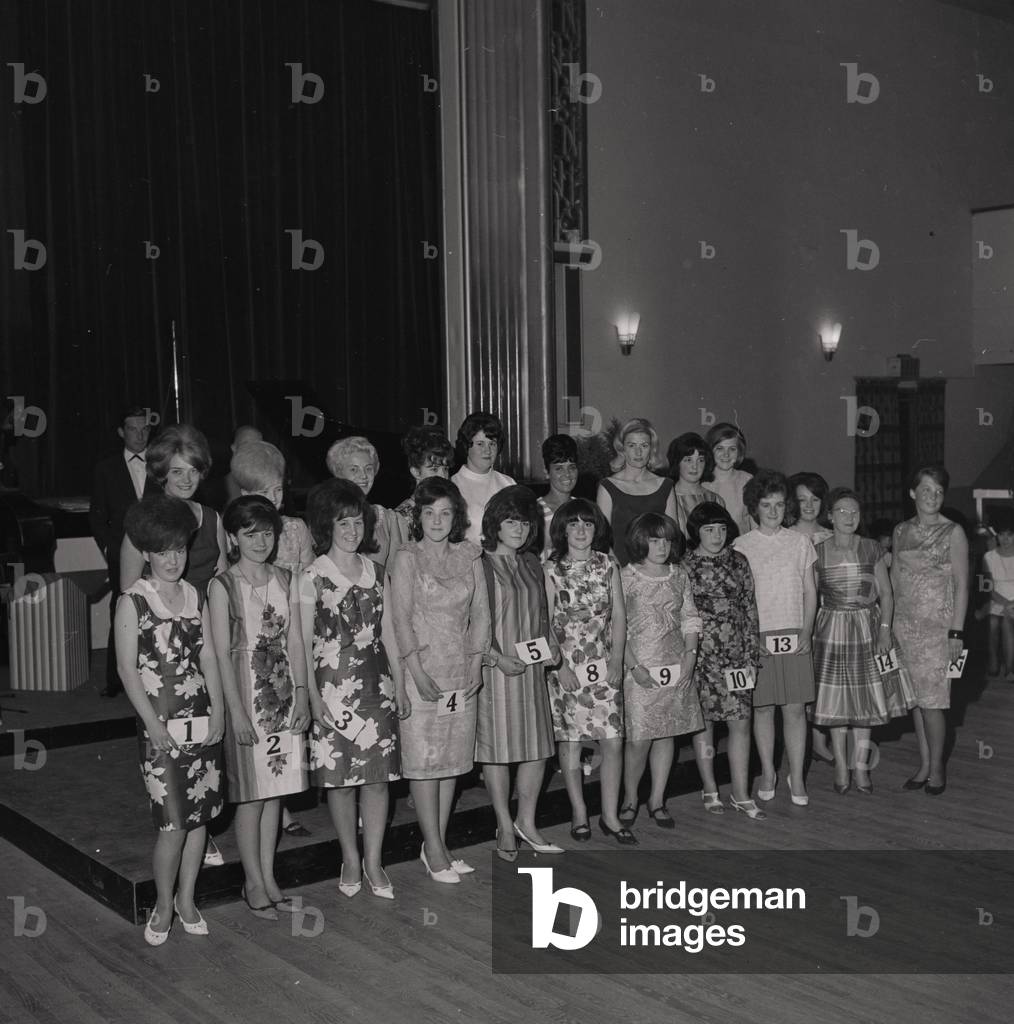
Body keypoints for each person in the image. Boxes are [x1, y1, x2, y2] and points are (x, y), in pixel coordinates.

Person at [114, 494, 225, 945]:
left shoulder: (195, 594)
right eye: (163, 552)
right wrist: (152, 725)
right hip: (159, 723)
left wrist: (218, 708)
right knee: (172, 821)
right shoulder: (133, 603)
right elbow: (127, 670)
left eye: (179, 549)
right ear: (146, 554)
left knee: (200, 819)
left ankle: (186, 898)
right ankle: (162, 905)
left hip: (200, 718)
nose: (173, 559)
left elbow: (209, 655)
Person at [302, 480, 404, 898]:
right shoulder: (310, 577)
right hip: (330, 688)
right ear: (327, 525)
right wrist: (310, 698)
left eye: (357, 521)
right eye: (342, 522)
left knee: (377, 779)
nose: (351, 529)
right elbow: (301, 647)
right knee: (340, 780)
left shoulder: (377, 572)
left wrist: (400, 684)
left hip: (375, 683)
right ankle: (349, 858)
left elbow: (390, 634)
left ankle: (375, 861)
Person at [209, 497, 310, 918]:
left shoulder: (287, 578)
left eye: (267, 532)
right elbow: (217, 653)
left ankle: (269, 877)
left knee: (276, 793)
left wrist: (302, 692)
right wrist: (236, 711)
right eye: (250, 534)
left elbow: (295, 642)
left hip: (283, 695)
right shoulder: (222, 585)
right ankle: (251, 881)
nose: (260, 541)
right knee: (251, 798)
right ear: (233, 537)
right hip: (247, 698)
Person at [390, 477, 490, 882]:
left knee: (451, 764)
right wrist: (416, 670)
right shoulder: (406, 558)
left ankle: (440, 843)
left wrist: (476, 662)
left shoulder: (469, 555)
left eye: (445, 512)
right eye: (429, 512)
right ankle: (432, 847)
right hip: (422, 674)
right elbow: (400, 619)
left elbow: (482, 613)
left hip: (461, 673)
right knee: (425, 762)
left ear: (456, 517)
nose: (437, 520)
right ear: (418, 516)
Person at [229, 439, 315, 837]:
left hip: (287, 630)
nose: (277, 498)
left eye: (281, 489)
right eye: (266, 492)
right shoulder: (240, 530)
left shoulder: (294, 528)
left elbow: (309, 578)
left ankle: (280, 810)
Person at [812, 489, 916, 794]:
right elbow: (811, 595)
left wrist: (885, 629)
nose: (849, 517)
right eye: (842, 512)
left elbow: (886, 593)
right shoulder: (816, 552)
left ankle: (861, 768)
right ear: (829, 516)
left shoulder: (871, 547)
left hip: (868, 628)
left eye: (854, 512)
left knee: (867, 702)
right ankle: (841, 767)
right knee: (837, 703)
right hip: (831, 630)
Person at [476, 486, 561, 859]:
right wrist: (494, 658)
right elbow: (469, 624)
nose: (520, 528)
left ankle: (526, 822)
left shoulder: (531, 563)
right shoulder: (479, 563)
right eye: (511, 520)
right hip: (496, 669)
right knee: (497, 751)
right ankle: (503, 823)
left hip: (531, 667)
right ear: (495, 523)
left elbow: (542, 613)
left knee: (537, 748)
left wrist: (552, 643)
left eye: (525, 522)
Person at [545, 498, 631, 843]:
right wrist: (559, 664)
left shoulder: (608, 564)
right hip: (566, 669)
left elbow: (620, 616)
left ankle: (609, 816)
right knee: (571, 742)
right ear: (562, 530)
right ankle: (579, 812)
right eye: (573, 524)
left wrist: (617, 660)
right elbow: (545, 620)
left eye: (588, 524)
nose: (581, 531)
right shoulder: (550, 568)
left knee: (613, 741)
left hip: (604, 664)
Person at [733, 470, 817, 807]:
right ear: (754, 507)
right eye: (766, 505)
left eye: (779, 505)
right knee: (763, 709)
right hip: (759, 636)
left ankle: (796, 775)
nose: (772, 511)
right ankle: (767, 771)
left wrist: (807, 631)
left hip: (794, 632)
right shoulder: (741, 546)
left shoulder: (800, 542)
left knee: (795, 710)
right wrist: (750, 638)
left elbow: (811, 591)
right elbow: (739, 599)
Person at [619, 513, 702, 829]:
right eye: (654, 540)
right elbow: (616, 628)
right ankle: (630, 799)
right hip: (639, 667)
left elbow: (690, 616)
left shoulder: (679, 575)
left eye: (666, 540)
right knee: (639, 739)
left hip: (675, 663)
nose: (661, 546)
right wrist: (634, 666)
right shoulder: (627, 577)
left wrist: (690, 655)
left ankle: (657, 800)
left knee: (668, 735)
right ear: (641, 541)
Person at [892, 465, 970, 795]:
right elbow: (894, 577)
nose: (932, 497)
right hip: (904, 627)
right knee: (917, 702)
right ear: (912, 493)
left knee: (934, 703)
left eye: (938, 491)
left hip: (939, 630)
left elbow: (963, 585)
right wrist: (886, 624)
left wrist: (956, 633)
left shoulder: (954, 532)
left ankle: (937, 767)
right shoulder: (900, 531)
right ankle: (923, 764)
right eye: (926, 490)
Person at [682, 503, 763, 818]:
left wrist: (751, 651)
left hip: (735, 654)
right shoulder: (686, 565)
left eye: (721, 529)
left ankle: (741, 792)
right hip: (701, 654)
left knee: (741, 722)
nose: (716, 536)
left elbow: (750, 607)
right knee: (705, 725)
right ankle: (710, 787)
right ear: (696, 532)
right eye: (708, 530)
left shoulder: (739, 561)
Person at [89, 405, 159, 696]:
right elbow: (97, 515)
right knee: (121, 610)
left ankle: (154, 675)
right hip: (121, 553)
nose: (140, 434)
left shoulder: (160, 464)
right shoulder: (105, 468)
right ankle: (115, 682)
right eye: (133, 429)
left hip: (159, 552)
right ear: (121, 432)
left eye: (145, 429)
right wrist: (111, 548)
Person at [119, 424, 227, 599]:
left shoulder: (212, 519)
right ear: (162, 473)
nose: (187, 480)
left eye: (193, 471)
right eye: (177, 471)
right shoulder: (143, 521)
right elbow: (128, 593)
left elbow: (223, 584)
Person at [787, 471, 834, 764]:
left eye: (815, 499)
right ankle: (799, 743)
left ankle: (819, 738)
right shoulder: (787, 535)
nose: (808, 505)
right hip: (795, 614)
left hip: (829, 615)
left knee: (823, 678)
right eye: (802, 499)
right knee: (799, 681)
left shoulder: (831, 535)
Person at [596, 417, 677, 566]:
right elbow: (602, 540)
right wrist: (619, 573)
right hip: (620, 569)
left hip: (657, 569)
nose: (638, 452)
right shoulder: (608, 486)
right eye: (632, 445)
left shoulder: (665, 485)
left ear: (651, 449)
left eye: (644, 445)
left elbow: (673, 536)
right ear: (622, 449)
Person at [230, 441, 313, 577]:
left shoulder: (296, 528)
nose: (273, 498)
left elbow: (311, 573)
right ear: (246, 494)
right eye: (264, 492)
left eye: (278, 489)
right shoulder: (236, 532)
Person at [326, 436, 395, 573]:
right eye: (354, 469)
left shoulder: (388, 518)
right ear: (339, 473)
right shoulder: (325, 515)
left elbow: (395, 572)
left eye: (368, 469)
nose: (363, 476)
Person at [450, 412, 516, 547]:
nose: (488, 450)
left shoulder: (508, 484)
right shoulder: (452, 485)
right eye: (480, 444)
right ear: (467, 446)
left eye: (492, 443)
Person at [392, 425, 454, 550]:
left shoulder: (450, 507)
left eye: (445, 469)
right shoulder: (401, 517)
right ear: (415, 472)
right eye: (434, 469)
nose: (443, 476)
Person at [666, 432, 726, 537]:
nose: (695, 466)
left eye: (700, 460)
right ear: (677, 463)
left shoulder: (717, 500)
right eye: (688, 460)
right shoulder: (668, 498)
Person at [981, 507, 1014, 680]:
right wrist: (1005, 602)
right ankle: (993, 661)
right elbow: (984, 587)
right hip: (996, 600)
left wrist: (1011, 604)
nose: (1006, 539)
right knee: (993, 622)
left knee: (1006, 620)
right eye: (1002, 534)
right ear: (996, 535)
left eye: (1010, 534)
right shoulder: (988, 557)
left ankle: (1010, 668)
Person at [704, 422, 753, 536]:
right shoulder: (702, 482)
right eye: (720, 448)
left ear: (739, 452)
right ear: (710, 450)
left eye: (732, 449)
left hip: (741, 548)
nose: (726, 454)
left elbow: (755, 522)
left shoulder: (747, 480)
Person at [537, 434, 580, 557]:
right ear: (546, 472)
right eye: (559, 469)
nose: (567, 474)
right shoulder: (535, 511)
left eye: (571, 467)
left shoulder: (584, 510)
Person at [223, 425, 263, 506]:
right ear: (234, 448)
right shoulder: (221, 487)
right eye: (246, 445)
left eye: (257, 445)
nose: (252, 451)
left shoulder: (271, 481)